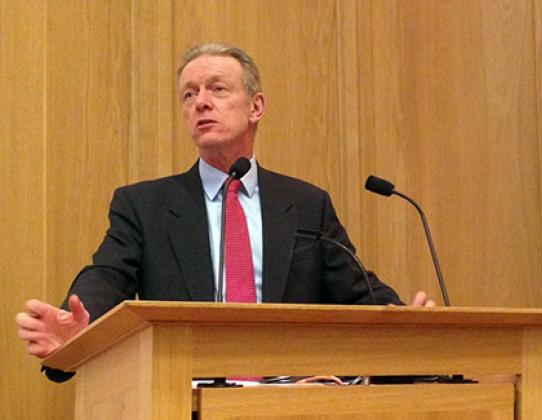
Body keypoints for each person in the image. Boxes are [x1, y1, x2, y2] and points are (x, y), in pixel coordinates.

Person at [16, 43, 435, 382]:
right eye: (189, 94)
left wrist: (408, 327)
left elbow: (357, 291)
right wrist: (78, 328)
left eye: (217, 89)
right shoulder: (145, 206)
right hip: (184, 397)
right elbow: (107, 276)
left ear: (256, 107)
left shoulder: (306, 203)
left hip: (292, 400)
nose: (200, 103)